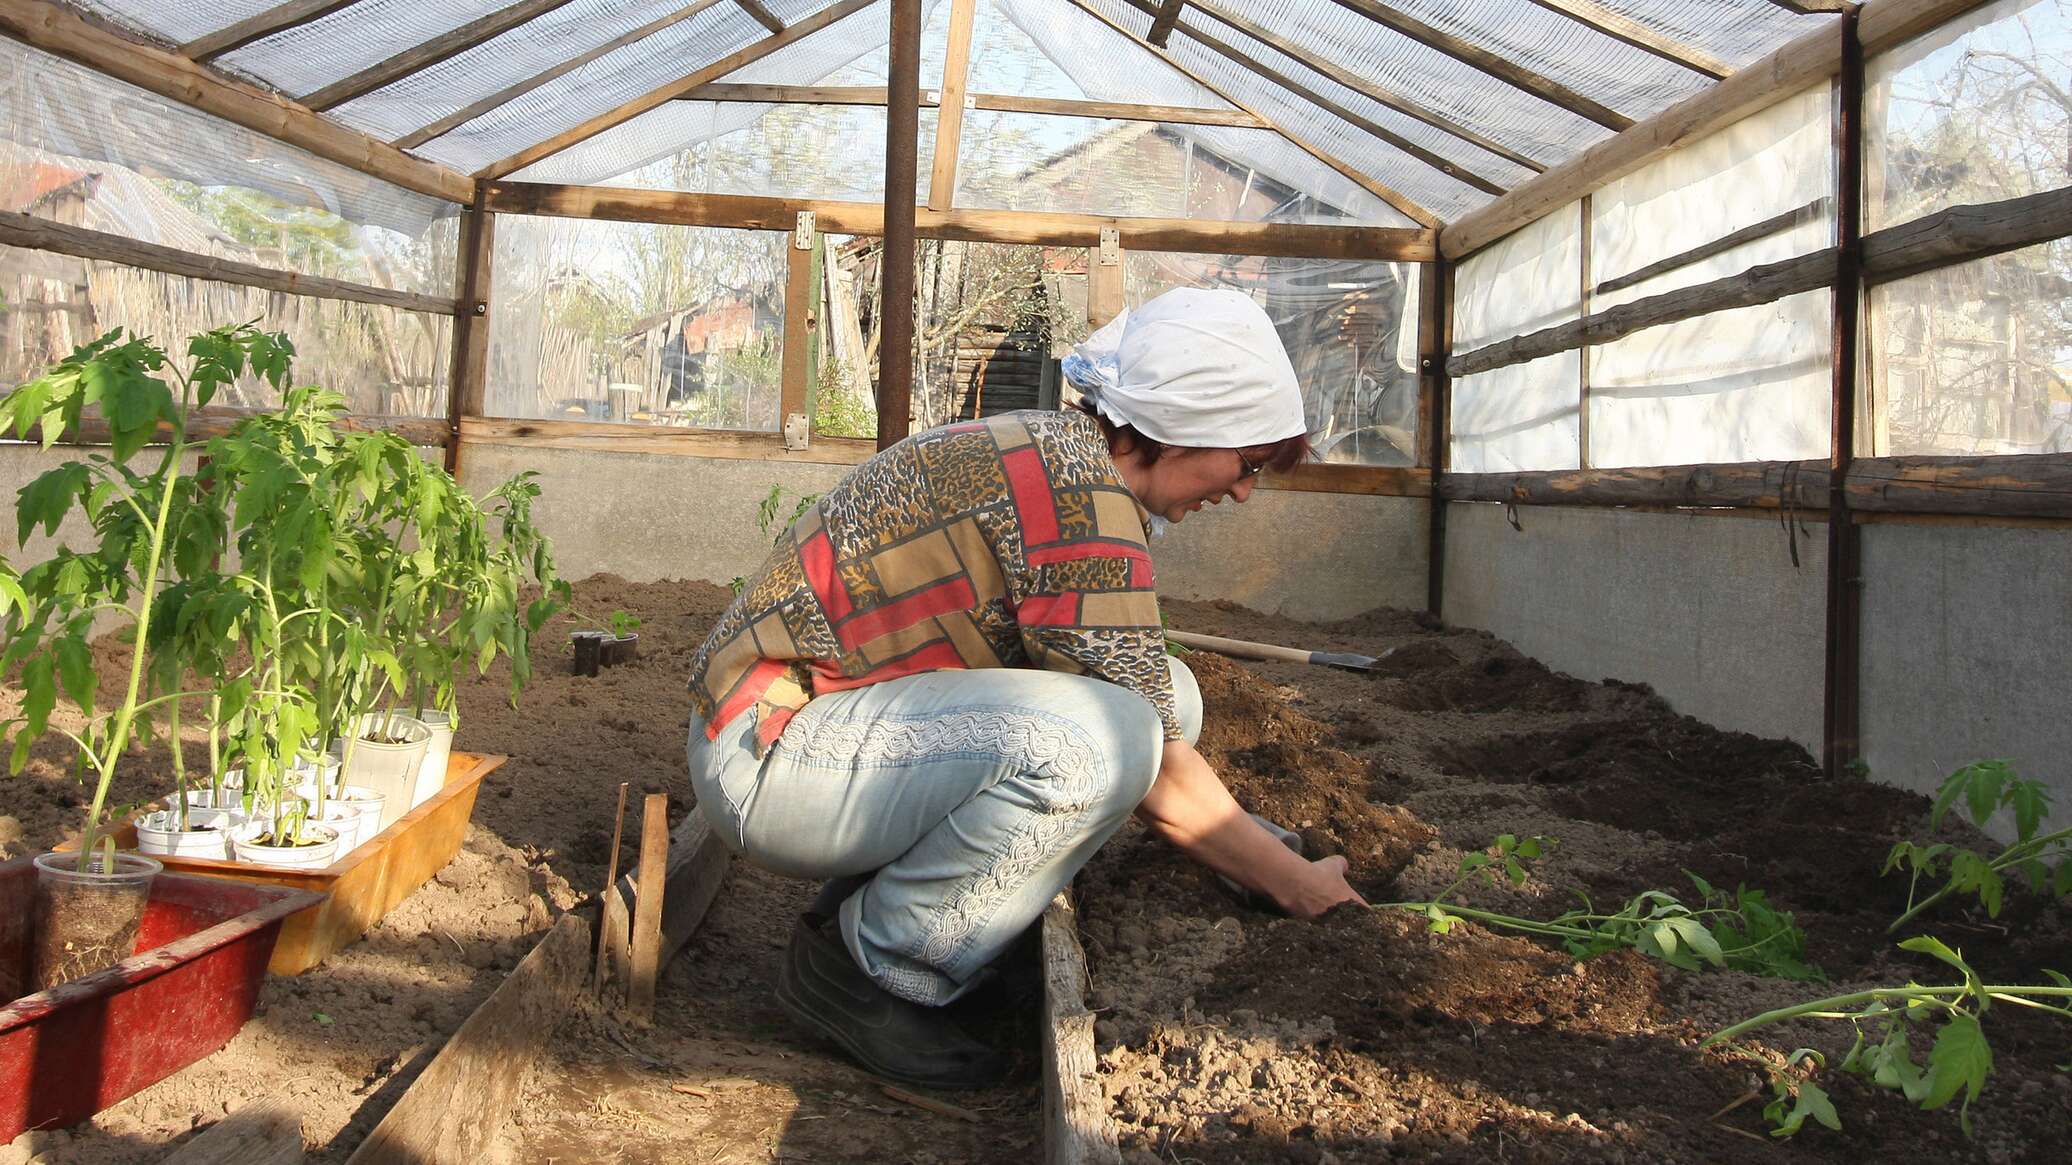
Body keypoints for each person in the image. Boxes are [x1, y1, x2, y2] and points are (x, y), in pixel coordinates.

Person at [685, 288, 1366, 1089]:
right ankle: (872, 965)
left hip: (820, 735)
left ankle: (899, 896)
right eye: (1248, 463)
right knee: (1098, 745)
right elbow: (1153, 767)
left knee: (1165, 697)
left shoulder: (1066, 457)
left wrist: (1268, 852)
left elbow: (1150, 715)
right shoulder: (1080, 498)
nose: (1246, 490)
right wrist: (1301, 888)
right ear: (1190, 427)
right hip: (767, 754)